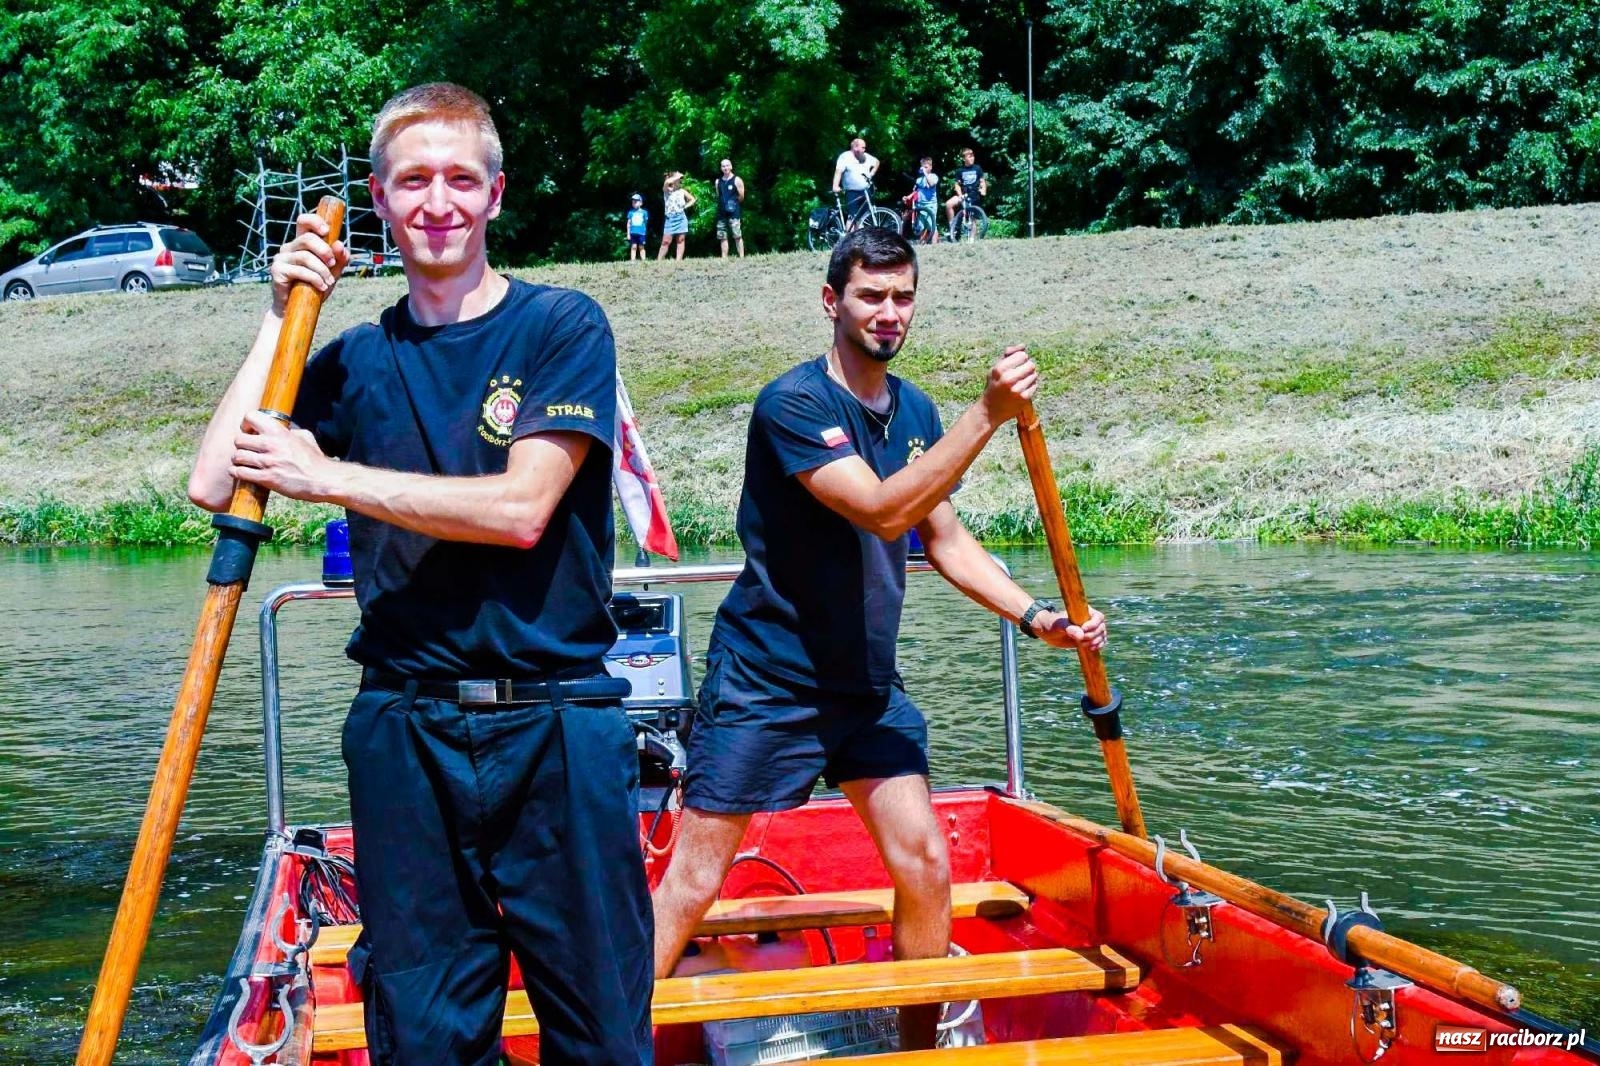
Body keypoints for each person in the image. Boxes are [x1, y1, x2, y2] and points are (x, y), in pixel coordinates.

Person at [186, 83, 651, 1066]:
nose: (436, 201)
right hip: (405, 727)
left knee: (604, 1036)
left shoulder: (561, 327)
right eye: (412, 182)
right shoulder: (354, 359)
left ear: (494, 195)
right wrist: (280, 319)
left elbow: (523, 510)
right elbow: (212, 478)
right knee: (426, 1040)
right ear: (379, 201)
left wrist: (329, 475)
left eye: (457, 179)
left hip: (557, 724)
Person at [650, 227, 1107, 1051]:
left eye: (902, 298)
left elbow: (947, 540)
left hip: (865, 686)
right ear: (833, 302)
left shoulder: (917, 412)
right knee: (694, 881)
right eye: (871, 296)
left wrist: (1037, 616)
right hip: (766, 680)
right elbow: (882, 508)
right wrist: (990, 414)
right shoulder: (793, 404)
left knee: (927, 867)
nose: (888, 313)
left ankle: (915, 1045)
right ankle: (609, 1042)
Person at [831, 136, 879, 228]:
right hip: (852, 192)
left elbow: (877, 162)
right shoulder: (845, 157)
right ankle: (847, 239)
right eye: (863, 147)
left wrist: (871, 174)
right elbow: (838, 171)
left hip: (865, 191)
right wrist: (835, 186)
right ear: (855, 147)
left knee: (865, 217)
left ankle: (859, 240)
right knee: (852, 217)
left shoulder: (866, 156)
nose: (865, 149)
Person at [945, 146, 986, 228]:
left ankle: (971, 239)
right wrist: (960, 195)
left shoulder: (977, 168)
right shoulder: (960, 170)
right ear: (964, 159)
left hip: (974, 195)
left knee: (972, 217)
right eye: (969, 156)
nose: (972, 158)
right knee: (948, 204)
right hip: (964, 195)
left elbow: (982, 181)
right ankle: (952, 226)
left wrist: (983, 190)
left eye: (973, 156)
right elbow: (957, 185)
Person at [658, 171, 695, 260]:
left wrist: (685, 206)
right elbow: (667, 182)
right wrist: (677, 176)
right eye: (677, 179)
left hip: (681, 217)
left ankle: (678, 261)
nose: (678, 180)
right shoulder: (667, 190)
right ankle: (659, 261)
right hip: (670, 218)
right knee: (666, 241)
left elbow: (692, 199)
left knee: (681, 240)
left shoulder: (682, 191)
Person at [714, 158, 745, 259]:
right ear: (721, 168)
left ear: (731, 166)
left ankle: (741, 257)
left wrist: (733, 204)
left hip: (734, 212)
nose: (725, 168)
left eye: (727, 165)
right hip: (721, 212)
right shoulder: (718, 181)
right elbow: (719, 195)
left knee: (737, 235)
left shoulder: (737, 180)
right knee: (722, 236)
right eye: (723, 166)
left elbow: (741, 196)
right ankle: (724, 257)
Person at [907, 156, 940, 243]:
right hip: (920, 205)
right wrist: (909, 197)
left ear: (931, 167)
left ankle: (934, 245)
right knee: (921, 226)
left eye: (926, 167)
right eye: (923, 167)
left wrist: (925, 174)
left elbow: (932, 184)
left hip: (931, 205)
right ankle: (922, 244)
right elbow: (916, 191)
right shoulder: (919, 180)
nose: (924, 169)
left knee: (932, 225)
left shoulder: (934, 176)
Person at [625, 191, 649, 260]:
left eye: (636, 201)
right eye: (633, 202)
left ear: (641, 203)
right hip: (633, 232)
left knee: (641, 247)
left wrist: (644, 231)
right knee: (633, 246)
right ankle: (633, 260)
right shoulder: (630, 212)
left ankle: (644, 260)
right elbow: (629, 223)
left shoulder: (644, 212)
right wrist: (628, 234)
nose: (634, 203)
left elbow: (645, 222)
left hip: (641, 233)